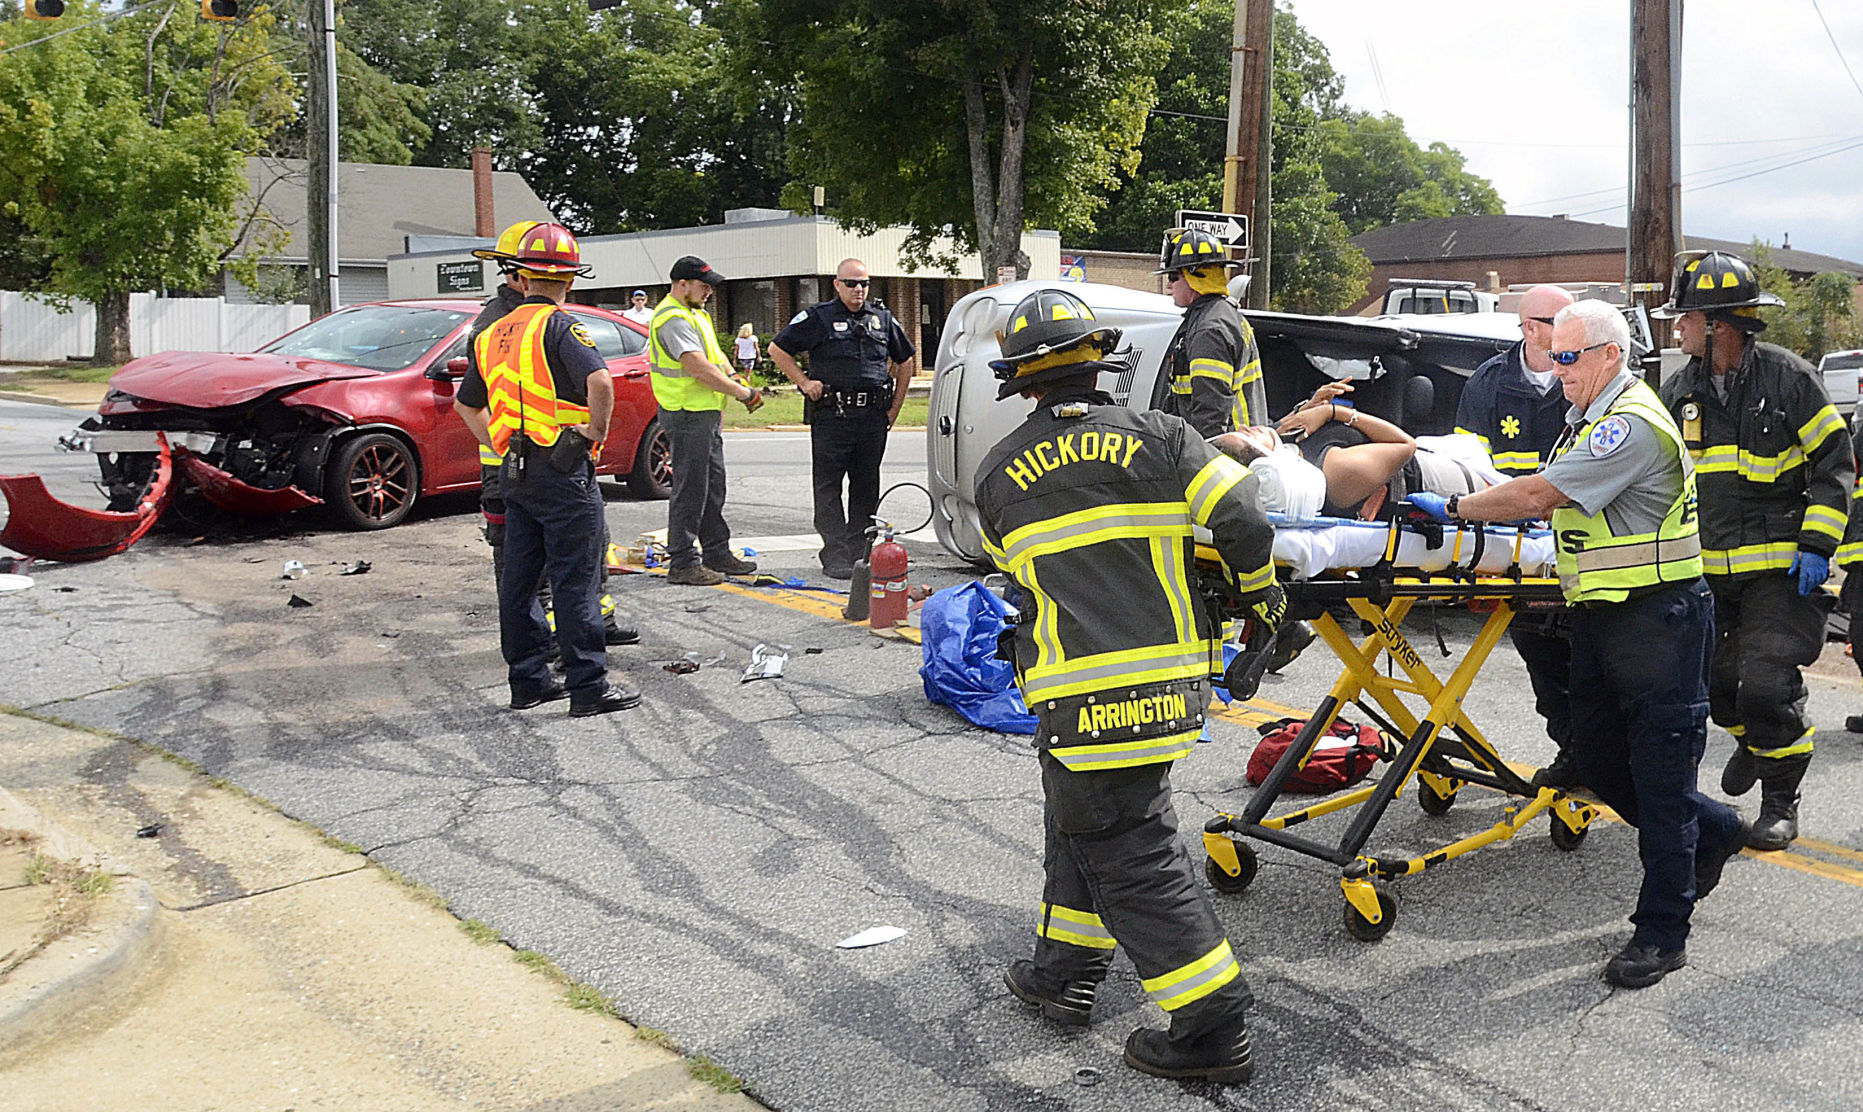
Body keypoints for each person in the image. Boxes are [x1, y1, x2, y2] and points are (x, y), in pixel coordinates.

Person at [978, 287, 1282, 1083]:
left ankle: (1211, 1030)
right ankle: (1062, 974)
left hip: (1074, 694)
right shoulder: (1165, 438)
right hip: (1168, 688)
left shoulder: (995, 473)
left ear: (1023, 382)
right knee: (1082, 821)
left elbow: (1019, 579)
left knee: (1127, 848)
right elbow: (1245, 518)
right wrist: (1260, 594)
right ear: (1097, 363)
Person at [1410, 299, 1747, 989]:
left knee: (1658, 778)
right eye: (1549, 354)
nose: (1553, 368)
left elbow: (1539, 495)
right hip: (1599, 616)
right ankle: (1712, 829)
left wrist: (1451, 509)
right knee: (1592, 757)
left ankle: (1661, 932)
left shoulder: (1625, 426)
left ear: (1608, 356)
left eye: (1566, 357)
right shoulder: (1585, 416)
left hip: (1658, 620)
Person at [1654, 250, 1851, 851]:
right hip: (1710, 575)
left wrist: (1817, 544)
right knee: (1717, 689)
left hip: (1780, 574)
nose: (1677, 327)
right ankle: (1753, 740)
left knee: (1765, 685)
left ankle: (1780, 799)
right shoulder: (1677, 391)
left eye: (1686, 318)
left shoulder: (1789, 380)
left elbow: (1836, 466)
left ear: (1719, 325)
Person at [453, 223, 640, 718]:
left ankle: (529, 682)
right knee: (575, 579)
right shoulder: (560, 326)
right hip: (562, 469)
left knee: (519, 581)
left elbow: (465, 405)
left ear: (521, 276)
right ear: (570, 280)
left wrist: (499, 437)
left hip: (513, 471)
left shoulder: (492, 333)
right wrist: (591, 436)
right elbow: (600, 381)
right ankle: (588, 688)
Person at [1456, 285, 1582, 790]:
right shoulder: (1488, 386)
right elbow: (1466, 468)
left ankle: (1601, 759)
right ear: (1531, 328)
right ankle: (1574, 754)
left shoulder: (1587, 379)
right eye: (1562, 322)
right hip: (1517, 557)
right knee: (1543, 663)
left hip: (1580, 549)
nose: (1576, 334)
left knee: (1592, 666)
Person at [769, 258, 915, 578]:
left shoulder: (882, 319)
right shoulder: (818, 318)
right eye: (851, 283)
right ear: (837, 285)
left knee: (866, 487)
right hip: (832, 417)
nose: (858, 289)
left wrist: (894, 410)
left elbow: (905, 361)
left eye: (863, 283)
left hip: (872, 417)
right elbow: (777, 349)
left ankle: (859, 552)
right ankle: (834, 554)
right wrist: (804, 382)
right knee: (828, 487)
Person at [649, 255, 764, 586]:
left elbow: (716, 357)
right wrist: (743, 394)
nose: (709, 292)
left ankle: (716, 552)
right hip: (686, 414)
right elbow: (697, 367)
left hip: (704, 414)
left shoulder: (694, 313)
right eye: (704, 286)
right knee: (690, 489)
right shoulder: (672, 318)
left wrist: (733, 376)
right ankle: (683, 561)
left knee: (712, 486)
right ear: (681, 284)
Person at [1149, 228, 1264, 438]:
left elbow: (1210, 417)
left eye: (1174, 276)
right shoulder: (1219, 316)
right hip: (1241, 447)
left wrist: (1196, 461)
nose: (1168, 284)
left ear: (1195, 277)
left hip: (1230, 454)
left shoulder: (1210, 330)